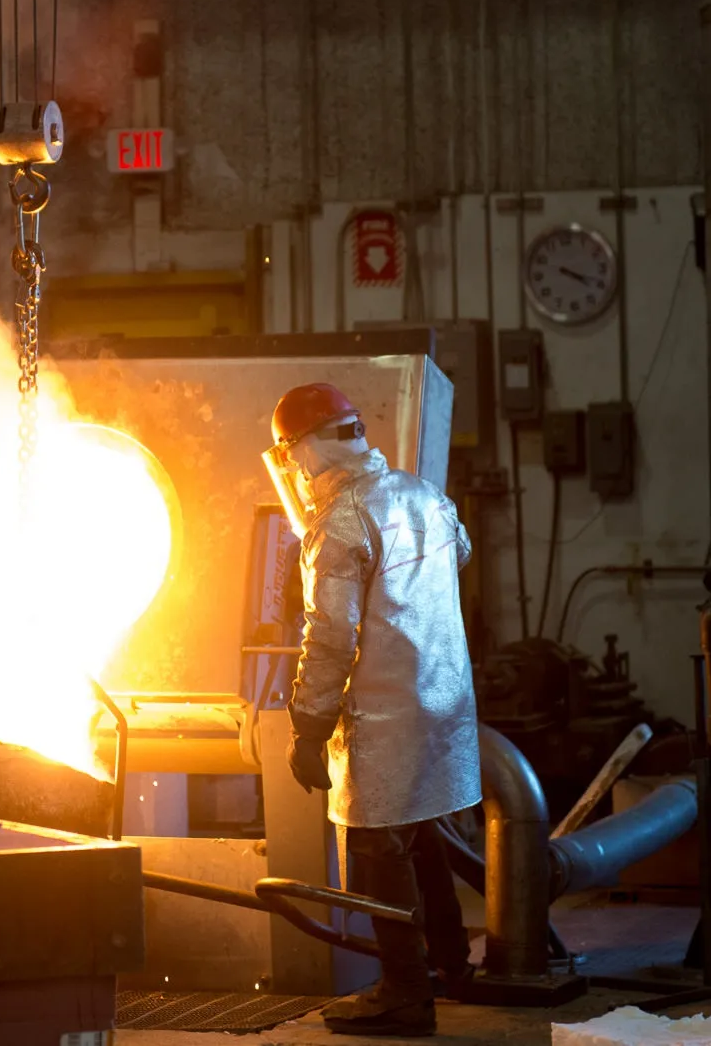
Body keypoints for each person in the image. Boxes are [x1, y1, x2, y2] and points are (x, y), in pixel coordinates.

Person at [263, 382, 479, 1037]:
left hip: (383, 715)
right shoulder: (420, 493)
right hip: (441, 698)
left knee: (381, 848)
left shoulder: (339, 522)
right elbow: (460, 552)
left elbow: (330, 639)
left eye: (294, 455)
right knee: (420, 831)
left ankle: (406, 992)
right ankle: (453, 967)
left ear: (311, 445)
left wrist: (308, 728)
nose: (296, 469)